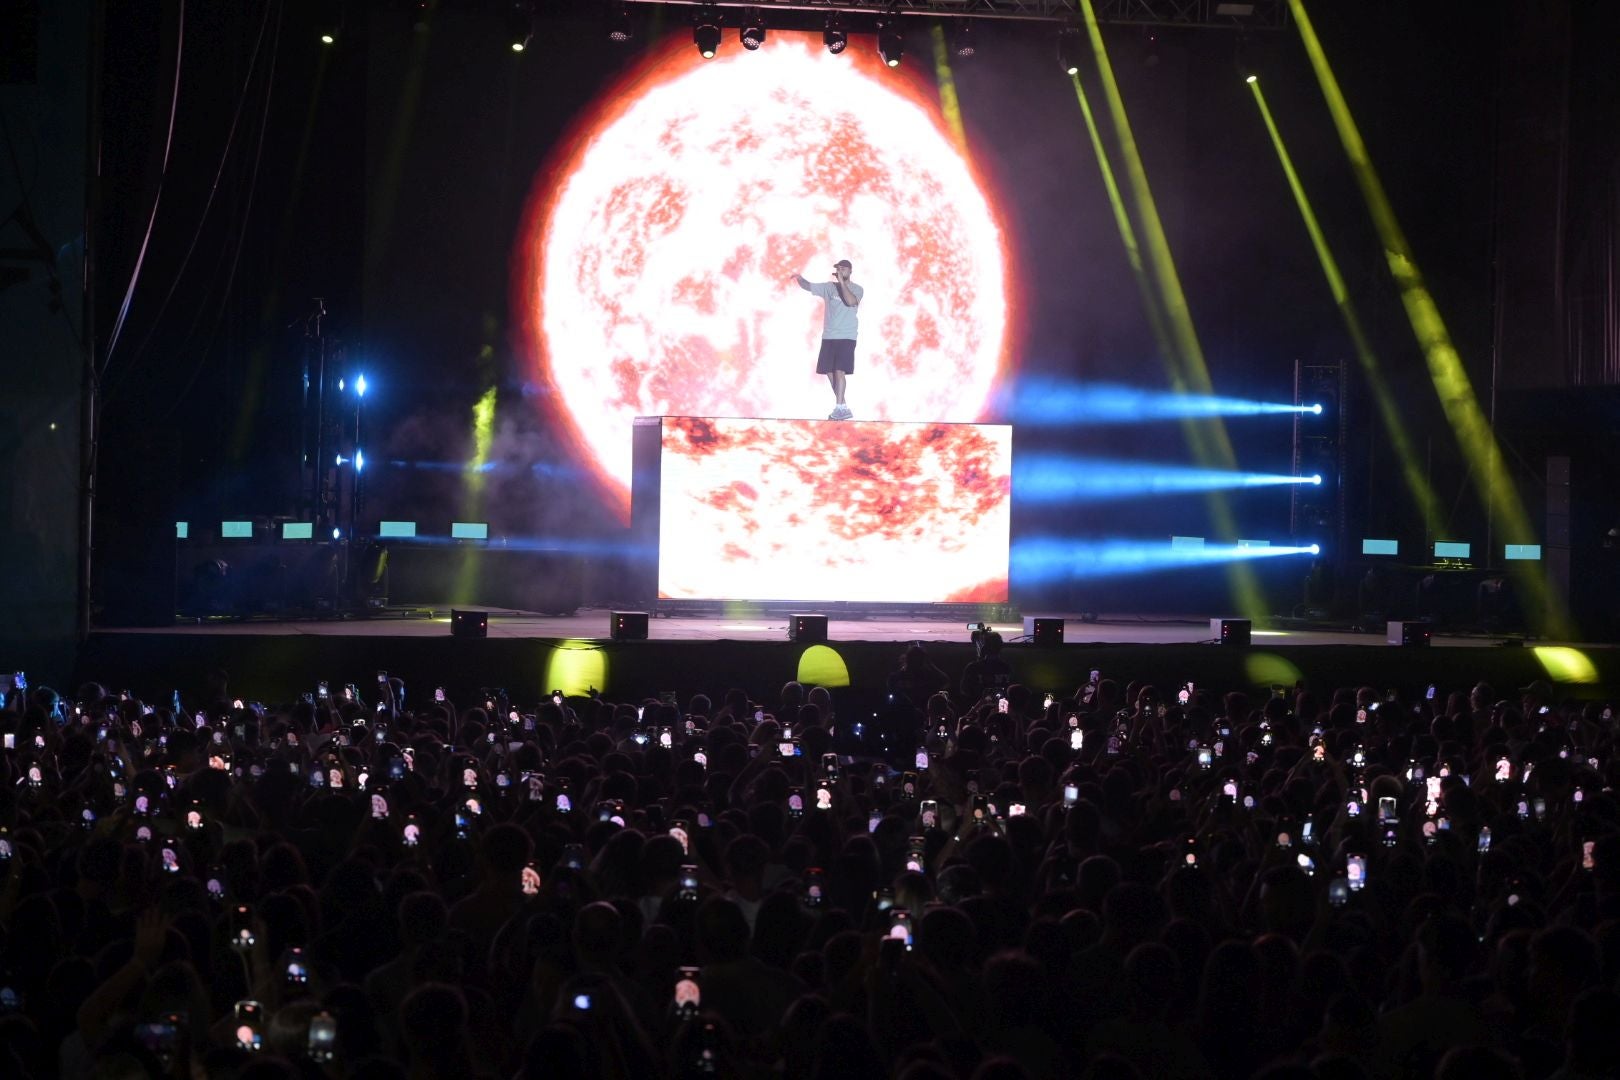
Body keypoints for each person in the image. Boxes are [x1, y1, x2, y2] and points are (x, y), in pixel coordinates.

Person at [794, 259, 863, 420]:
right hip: (829, 336)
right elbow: (808, 286)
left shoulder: (857, 289)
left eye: (843, 268)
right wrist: (800, 278)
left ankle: (839, 407)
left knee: (840, 370)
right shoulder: (828, 287)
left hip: (847, 336)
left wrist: (841, 282)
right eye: (838, 268)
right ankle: (842, 407)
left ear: (850, 271)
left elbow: (851, 301)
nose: (840, 270)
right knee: (829, 372)